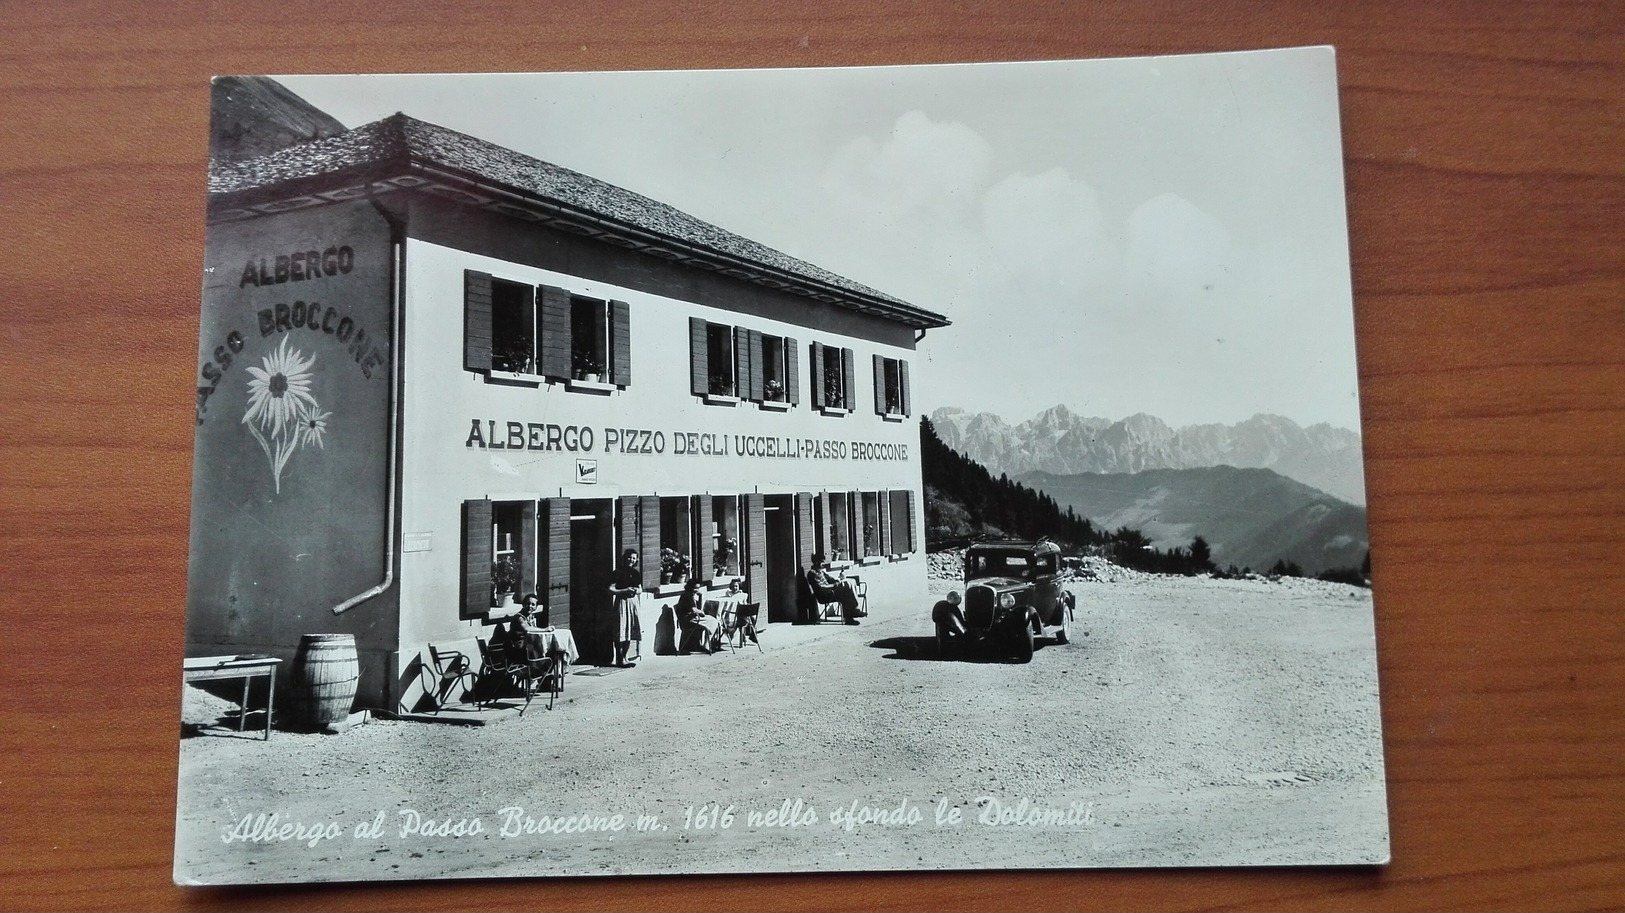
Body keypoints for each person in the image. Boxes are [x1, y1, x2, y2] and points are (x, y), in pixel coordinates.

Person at [608, 549, 644, 667]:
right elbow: (611, 589)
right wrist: (625, 590)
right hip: (622, 602)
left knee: (630, 630)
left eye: (634, 558)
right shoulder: (617, 572)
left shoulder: (636, 573)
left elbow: (640, 589)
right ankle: (619, 658)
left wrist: (637, 591)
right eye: (629, 557)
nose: (631, 560)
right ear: (625, 558)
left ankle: (625, 657)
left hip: (633, 603)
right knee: (621, 630)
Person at [807, 552, 862, 624]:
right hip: (823, 595)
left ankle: (852, 613)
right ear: (816, 562)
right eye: (821, 562)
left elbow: (831, 579)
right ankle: (850, 616)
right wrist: (834, 586)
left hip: (829, 592)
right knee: (845, 593)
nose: (823, 564)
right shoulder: (812, 573)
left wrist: (837, 581)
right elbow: (821, 587)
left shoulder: (821, 572)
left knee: (847, 588)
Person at [674, 578, 722, 654]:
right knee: (713, 621)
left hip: (690, 618)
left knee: (712, 620)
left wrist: (700, 597)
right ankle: (706, 644)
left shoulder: (689, 595)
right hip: (689, 620)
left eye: (698, 588)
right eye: (695, 588)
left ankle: (706, 643)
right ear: (689, 587)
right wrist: (701, 612)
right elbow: (694, 610)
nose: (696, 590)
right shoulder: (687, 596)